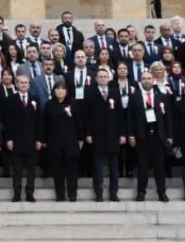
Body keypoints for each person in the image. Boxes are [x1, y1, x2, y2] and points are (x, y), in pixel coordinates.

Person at [129, 71, 172, 202]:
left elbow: (168, 118)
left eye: (149, 78)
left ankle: (162, 192)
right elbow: (130, 118)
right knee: (143, 166)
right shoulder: (135, 96)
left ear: (153, 80)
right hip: (142, 135)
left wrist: (169, 135)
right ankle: (141, 192)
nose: (147, 81)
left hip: (158, 136)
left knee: (159, 166)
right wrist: (131, 135)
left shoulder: (162, 96)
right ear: (140, 81)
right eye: (144, 79)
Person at [85, 69, 125, 202]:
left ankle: (114, 192)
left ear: (109, 78)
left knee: (114, 167)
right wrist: (88, 133)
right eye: (100, 77)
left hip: (113, 135)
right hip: (97, 135)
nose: (103, 79)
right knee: (98, 167)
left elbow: (120, 114)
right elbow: (87, 115)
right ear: (96, 79)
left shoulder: (114, 92)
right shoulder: (90, 93)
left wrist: (122, 133)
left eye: (105, 77)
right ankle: (99, 192)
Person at [3, 74, 42, 202]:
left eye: (26, 82)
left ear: (29, 84)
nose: (24, 84)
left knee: (31, 170)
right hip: (16, 140)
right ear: (17, 84)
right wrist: (8, 139)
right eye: (21, 82)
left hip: (31, 140)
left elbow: (38, 121)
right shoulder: (10, 100)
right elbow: (7, 122)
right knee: (17, 169)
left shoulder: (35, 99)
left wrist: (39, 139)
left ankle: (30, 193)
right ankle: (17, 194)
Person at [43, 81, 83, 202]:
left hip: (71, 141)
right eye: (58, 89)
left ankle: (72, 193)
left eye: (63, 89)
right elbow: (44, 124)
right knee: (58, 170)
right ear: (54, 91)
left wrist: (81, 138)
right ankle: (60, 194)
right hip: (55, 142)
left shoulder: (73, 103)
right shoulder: (49, 104)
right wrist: (44, 139)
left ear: (66, 91)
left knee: (71, 169)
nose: (60, 91)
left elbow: (79, 122)